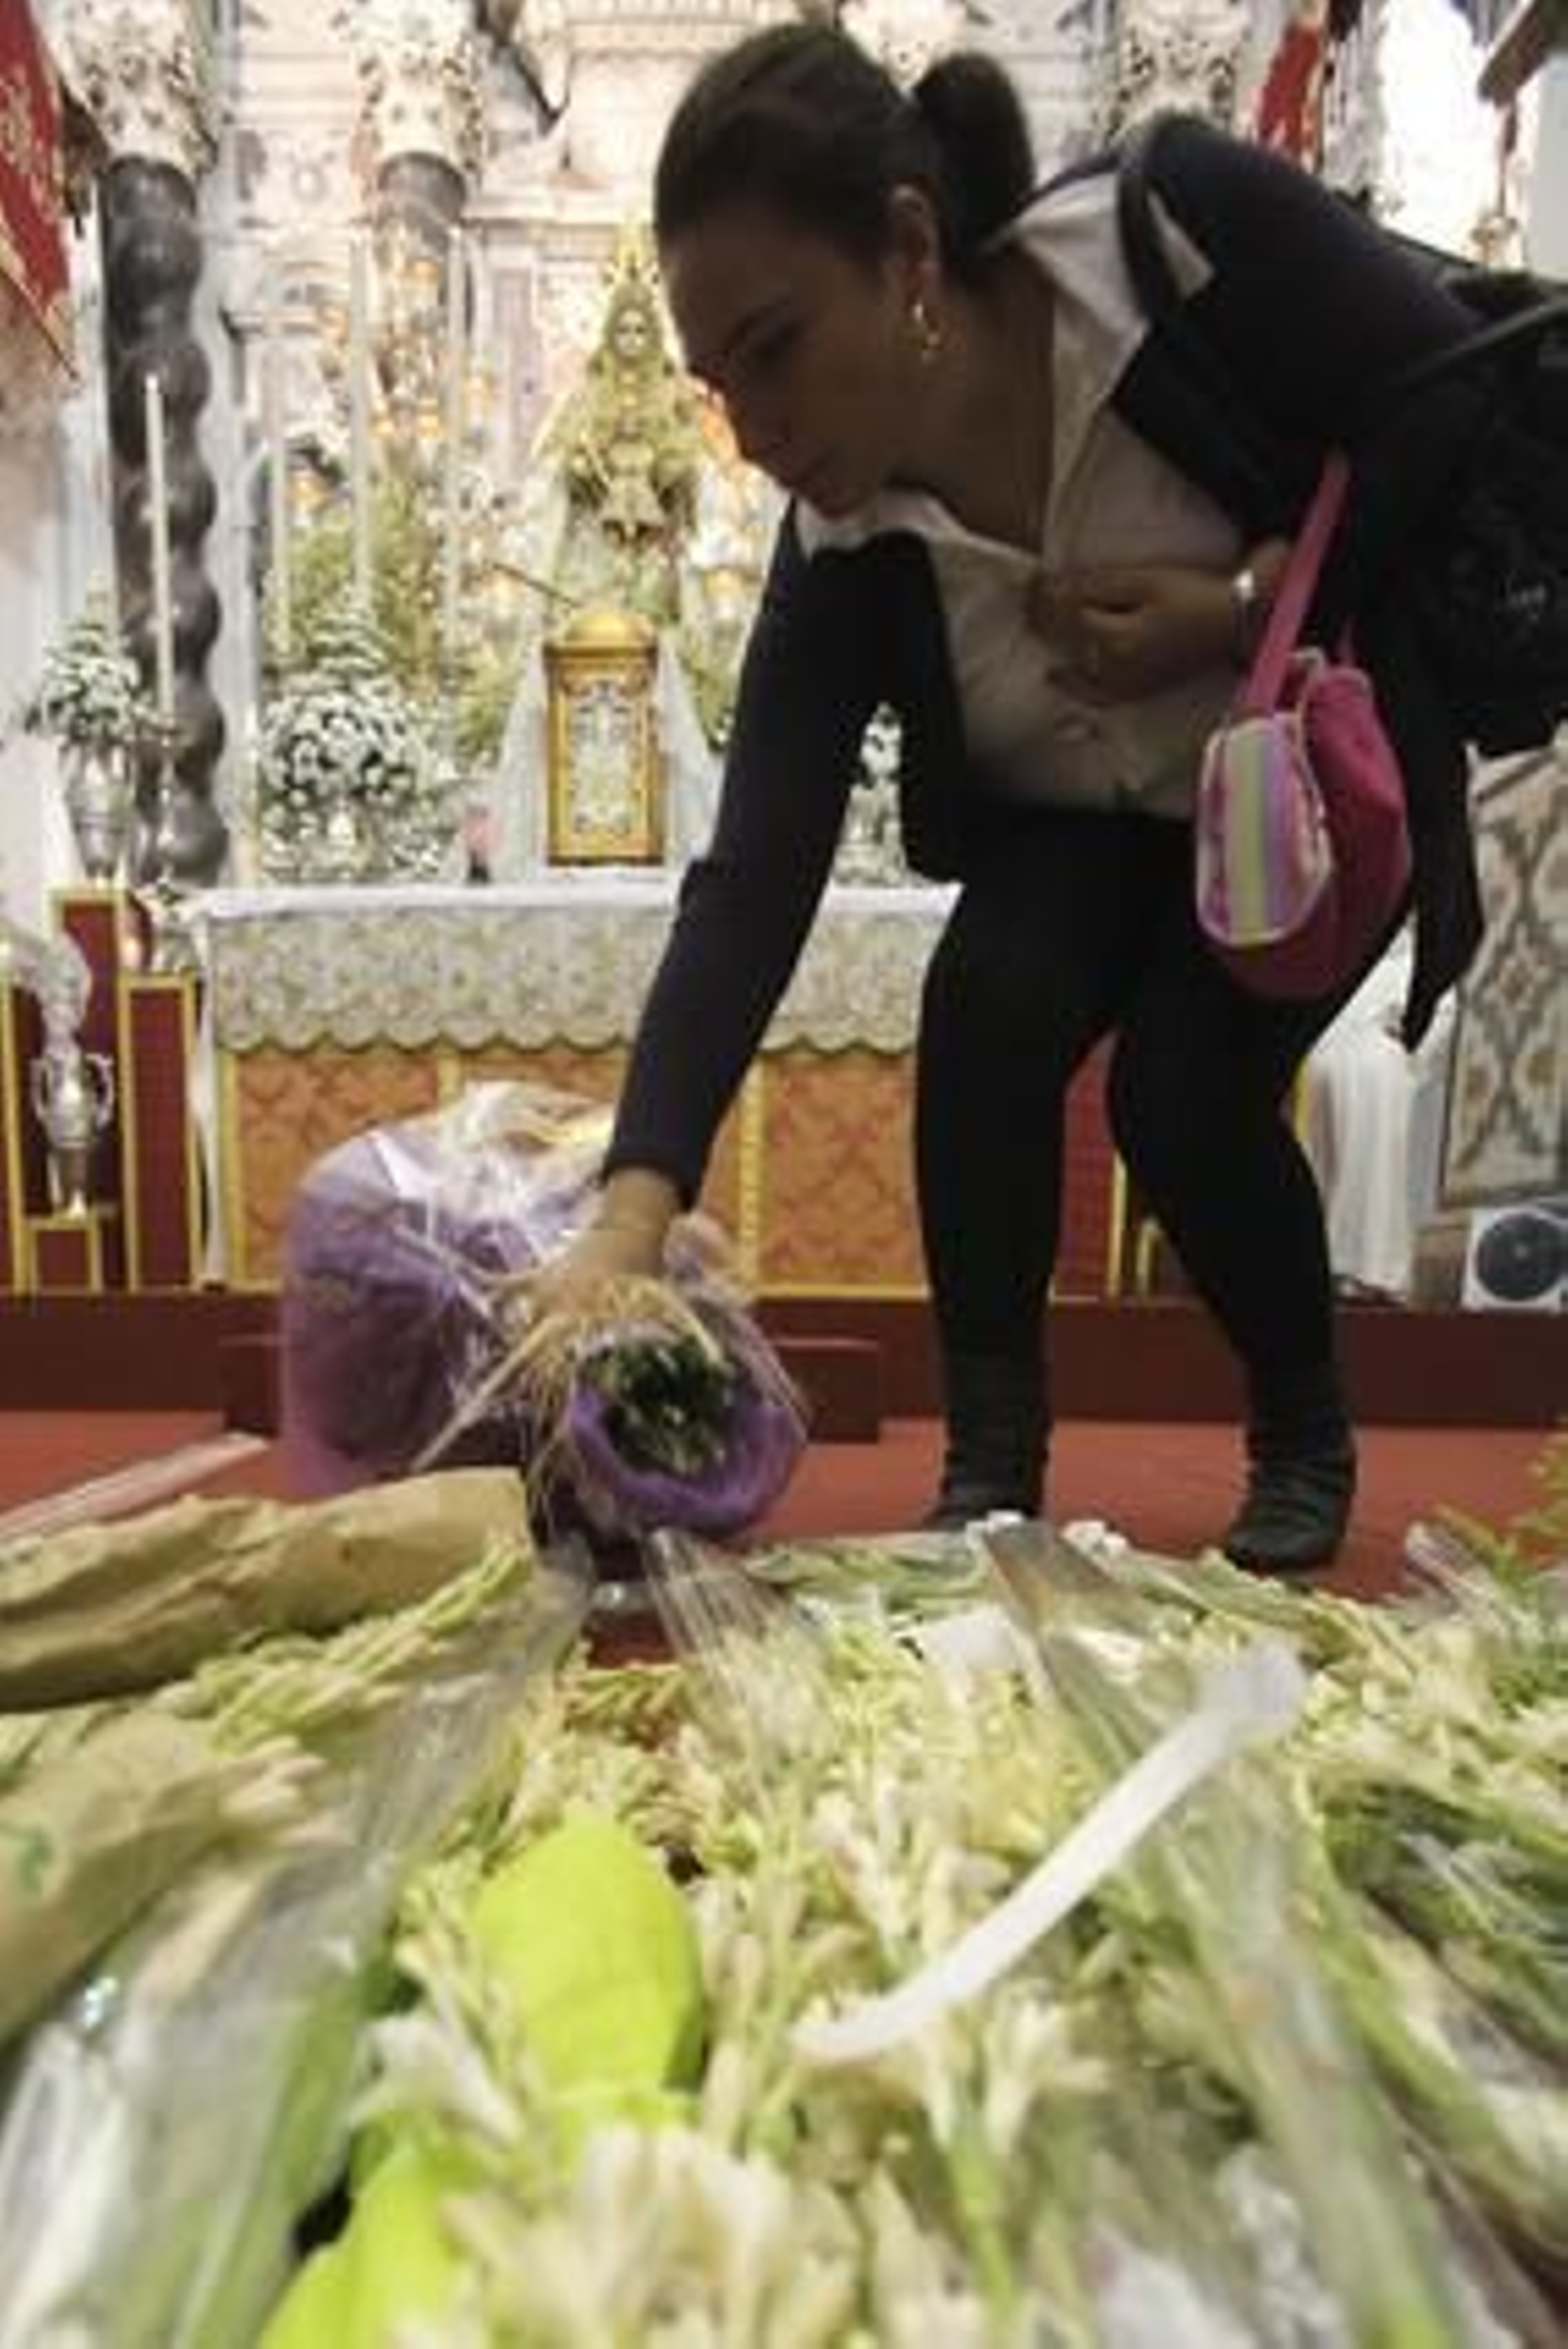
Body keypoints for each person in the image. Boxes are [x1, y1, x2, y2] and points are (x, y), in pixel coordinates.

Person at [528, 23, 1485, 1572]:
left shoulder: (1171, 235)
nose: (754, 435)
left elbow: (1441, 397)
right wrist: (632, 1217)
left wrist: (1240, 604)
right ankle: (991, 1460)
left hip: (1292, 787)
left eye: (774, 348)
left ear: (909, 248)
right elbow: (754, 880)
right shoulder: (839, 552)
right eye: (718, 388)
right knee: (985, 1004)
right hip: (1075, 819)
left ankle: (1303, 1427)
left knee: (1184, 1090)